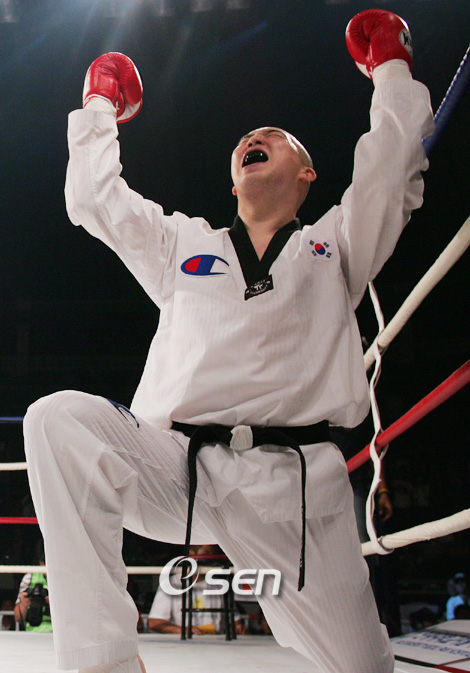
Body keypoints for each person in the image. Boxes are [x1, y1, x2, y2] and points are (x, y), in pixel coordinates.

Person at [23, 8, 434, 673]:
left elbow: (391, 172)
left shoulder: (336, 243)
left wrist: (390, 69)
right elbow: (95, 199)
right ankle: (104, 664)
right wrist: (99, 104)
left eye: (275, 136)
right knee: (56, 420)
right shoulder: (181, 245)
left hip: (295, 491)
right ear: (233, 180)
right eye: (247, 138)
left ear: (307, 175)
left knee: (364, 667)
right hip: (178, 467)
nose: (255, 136)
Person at [148, 545, 245, 636]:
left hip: (215, 642)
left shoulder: (220, 584)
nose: (210, 559)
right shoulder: (172, 583)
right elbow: (155, 622)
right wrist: (183, 630)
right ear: (191, 554)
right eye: (206, 553)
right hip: (183, 644)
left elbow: (235, 621)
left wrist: (238, 628)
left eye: (213, 554)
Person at [14, 545, 52, 632]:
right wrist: (24, 603)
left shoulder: (64, 579)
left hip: (58, 633)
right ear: (41, 563)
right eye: (45, 564)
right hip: (32, 633)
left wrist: (54, 603)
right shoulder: (29, 578)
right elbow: (18, 618)